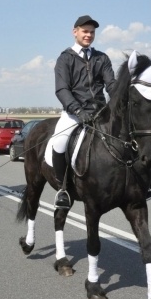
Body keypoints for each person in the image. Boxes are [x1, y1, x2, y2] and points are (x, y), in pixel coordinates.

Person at [51, 15, 116, 209]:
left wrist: (122, 95)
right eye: (85, 31)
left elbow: (111, 84)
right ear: (75, 32)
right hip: (74, 113)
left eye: (92, 32)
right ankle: (63, 189)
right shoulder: (65, 58)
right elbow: (62, 89)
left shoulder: (101, 58)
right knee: (59, 142)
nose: (89, 35)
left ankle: (133, 184)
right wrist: (78, 110)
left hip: (100, 112)